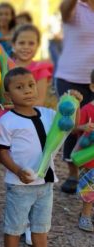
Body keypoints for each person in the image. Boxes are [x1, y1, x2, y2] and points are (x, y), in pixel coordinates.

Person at [0, 67, 82, 247]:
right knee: (14, 227)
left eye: (30, 85)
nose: (27, 90)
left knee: (41, 227)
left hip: (46, 184)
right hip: (20, 185)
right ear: (8, 95)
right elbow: (2, 153)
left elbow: (71, 127)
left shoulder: (48, 113)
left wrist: (75, 104)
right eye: (20, 87)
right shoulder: (7, 121)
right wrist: (18, 171)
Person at [55, 0, 94, 194]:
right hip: (71, 77)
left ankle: (90, 171)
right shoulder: (76, 6)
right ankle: (73, 173)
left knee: (92, 126)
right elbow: (63, 10)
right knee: (72, 125)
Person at [74, 69, 94, 232]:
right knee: (89, 189)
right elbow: (74, 129)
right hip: (89, 158)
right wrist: (83, 127)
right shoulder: (87, 109)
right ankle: (85, 216)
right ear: (92, 87)